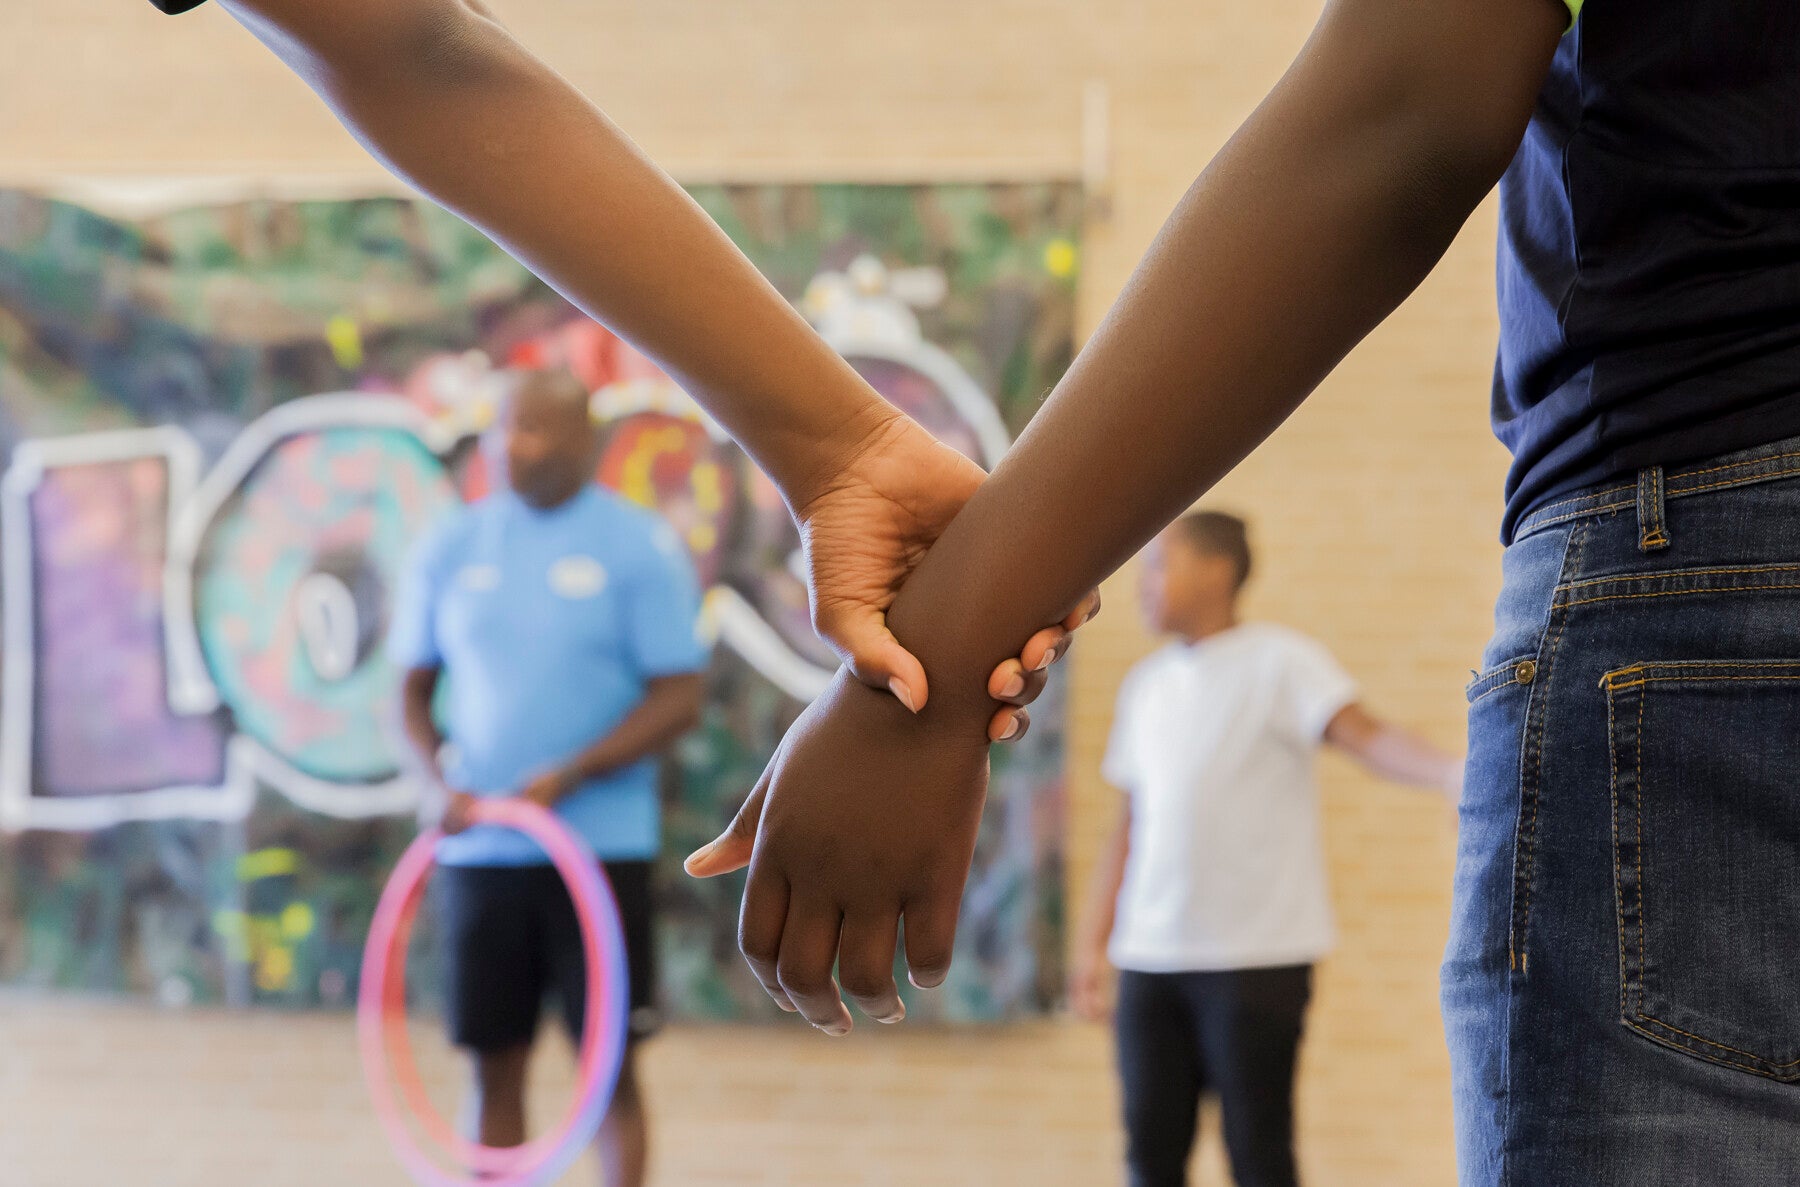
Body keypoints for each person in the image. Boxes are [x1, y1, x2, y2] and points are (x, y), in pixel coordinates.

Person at [143, 0, 1800, 1177]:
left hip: (1708, 543)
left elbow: (1415, 95)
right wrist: (865, 483)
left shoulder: (1267, 663)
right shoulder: (1151, 688)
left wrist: (925, 653)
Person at [1069, 512, 1459, 1187]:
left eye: (1161, 562)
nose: (1143, 580)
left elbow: (1365, 735)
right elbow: (1128, 827)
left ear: (1217, 571)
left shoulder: (1281, 661)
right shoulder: (1145, 686)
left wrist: (1454, 774)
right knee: (1148, 1158)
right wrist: (1089, 944)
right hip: (1151, 960)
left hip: (1256, 960)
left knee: (1259, 1154)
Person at [389, 369, 708, 1186]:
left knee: (608, 1069)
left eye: (536, 427)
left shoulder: (635, 545)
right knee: (492, 1066)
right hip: (480, 854)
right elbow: (409, 693)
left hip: (601, 853)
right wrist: (434, 781)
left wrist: (573, 773)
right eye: (506, 426)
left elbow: (679, 693)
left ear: (585, 441)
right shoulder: (453, 546)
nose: (513, 443)